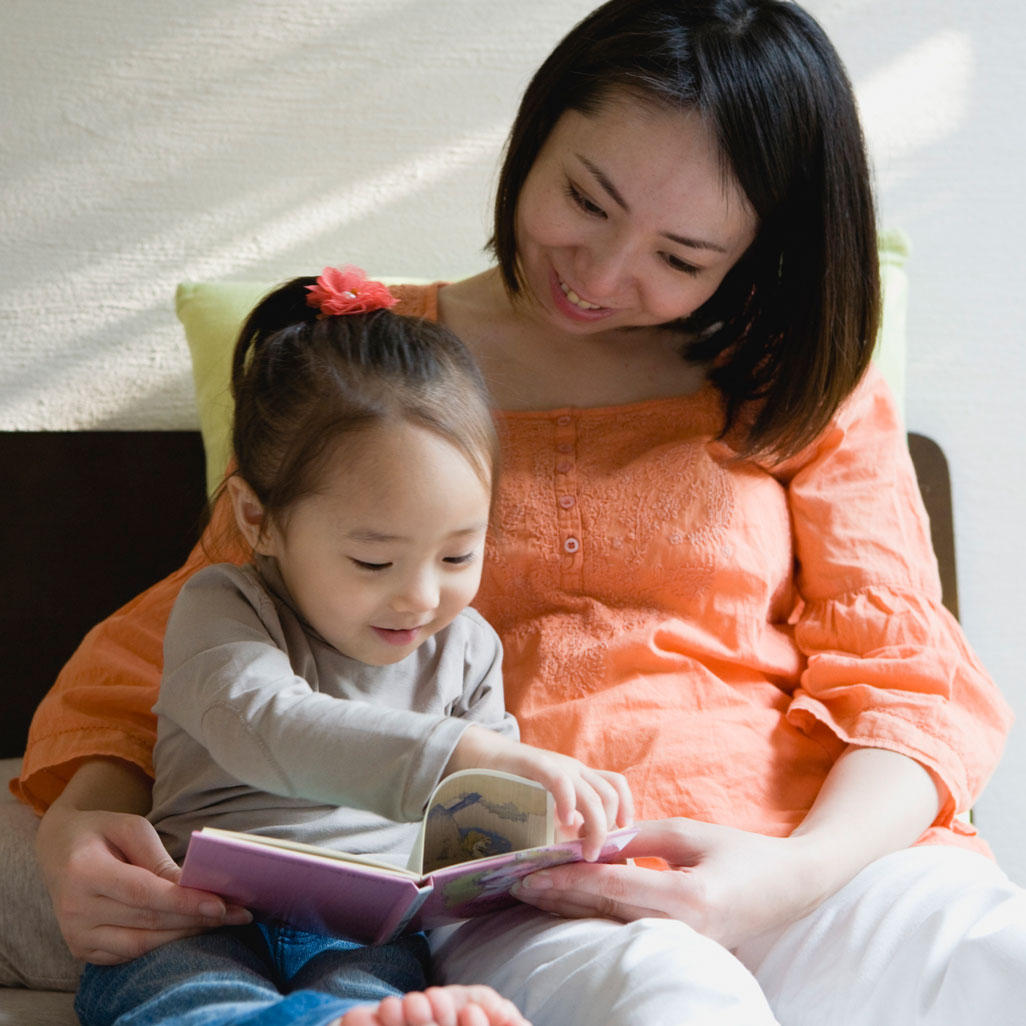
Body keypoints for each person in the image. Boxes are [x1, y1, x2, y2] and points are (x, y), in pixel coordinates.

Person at [15, 0, 1025, 1023]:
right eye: (586, 200)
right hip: (544, 890)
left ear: (758, 251)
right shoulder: (372, 371)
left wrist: (786, 875)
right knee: (673, 1001)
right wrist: (79, 835)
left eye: (681, 258)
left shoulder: (802, 378)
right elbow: (182, 657)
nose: (599, 276)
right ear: (536, 132)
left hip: (817, 863)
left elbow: (910, 683)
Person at [73, 266, 631, 1026]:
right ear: (258, 519)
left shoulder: (467, 650)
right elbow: (267, 723)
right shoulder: (224, 608)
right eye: (374, 562)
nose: (421, 597)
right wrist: (469, 755)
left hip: (361, 927)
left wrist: (541, 833)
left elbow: (474, 833)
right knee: (182, 996)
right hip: (194, 910)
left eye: (459, 556)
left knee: (375, 989)